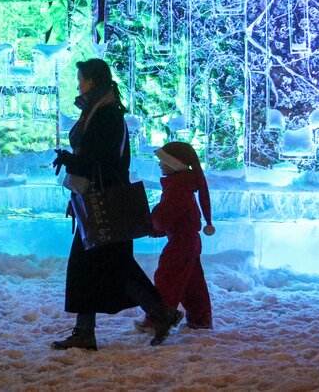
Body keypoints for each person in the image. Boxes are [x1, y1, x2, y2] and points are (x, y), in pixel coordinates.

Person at [51, 58, 182, 350]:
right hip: (98, 200)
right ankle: (154, 316)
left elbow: (103, 160)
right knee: (110, 267)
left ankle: (154, 316)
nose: (78, 84)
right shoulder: (101, 111)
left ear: (93, 81)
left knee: (108, 267)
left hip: (103, 203)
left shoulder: (106, 114)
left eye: (81, 78)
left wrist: (72, 160)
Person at [135, 141, 215, 333]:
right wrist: (157, 228)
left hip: (181, 242)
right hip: (189, 240)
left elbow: (165, 216)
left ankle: (157, 318)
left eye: (163, 161)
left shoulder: (177, 187)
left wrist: (149, 222)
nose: (160, 165)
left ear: (174, 164)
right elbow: (178, 217)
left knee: (167, 278)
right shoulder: (182, 185)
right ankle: (200, 319)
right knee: (191, 282)